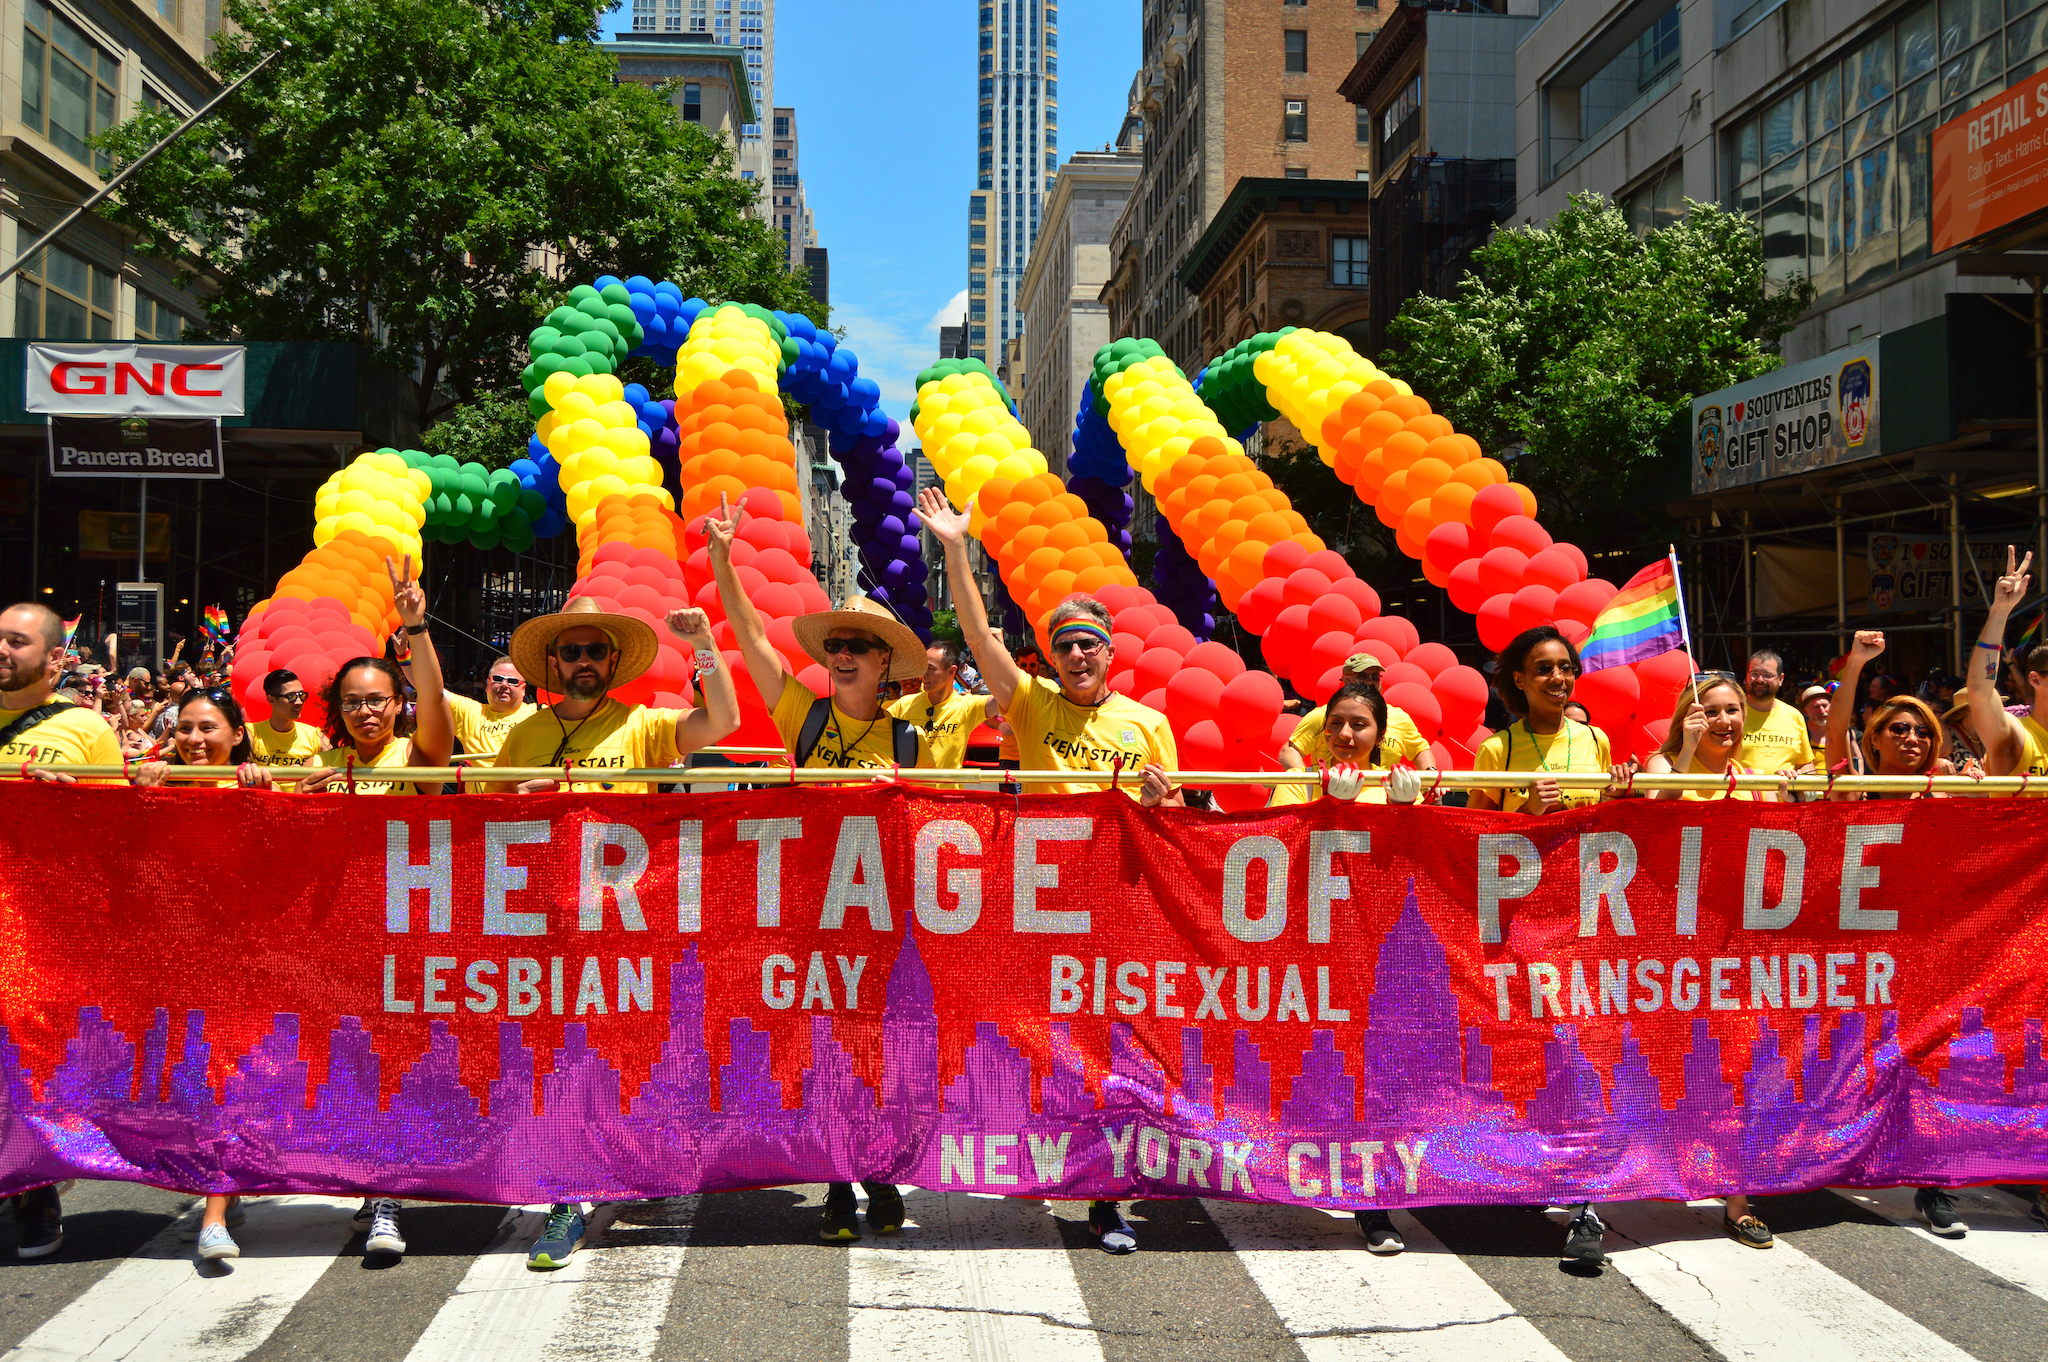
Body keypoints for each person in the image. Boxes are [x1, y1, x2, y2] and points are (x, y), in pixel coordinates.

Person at [922, 487, 1177, 1256]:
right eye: (1064, 645)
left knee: (1112, 1053)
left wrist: (1166, 802)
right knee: (1037, 1045)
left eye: (1088, 644)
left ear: (1110, 652)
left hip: (1118, 914)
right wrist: (959, 551)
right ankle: (1029, 1158)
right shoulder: (1030, 706)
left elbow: (1176, 833)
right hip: (1040, 912)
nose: (1076, 656)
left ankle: (1104, 1198)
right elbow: (976, 634)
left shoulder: (1149, 724)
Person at [703, 493, 929, 1244]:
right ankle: (838, 1176)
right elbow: (748, 634)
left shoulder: (913, 743)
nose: (841, 653)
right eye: (835, 642)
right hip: (810, 917)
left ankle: (884, 1176)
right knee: (827, 1049)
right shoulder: (804, 716)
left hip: (886, 923)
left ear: (882, 663)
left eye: (857, 646)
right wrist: (722, 558)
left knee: (885, 1051)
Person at [496, 596, 738, 1268]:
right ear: (552, 663)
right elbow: (485, 819)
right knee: (565, 1060)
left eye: (593, 652)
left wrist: (704, 645)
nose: (582, 663)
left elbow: (723, 719)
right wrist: (524, 798)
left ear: (611, 662)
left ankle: (631, 1165)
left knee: (632, 1056)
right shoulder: (524, 735)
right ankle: (565, 1201)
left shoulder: (642, 725)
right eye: (570, 653)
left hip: (633, 928)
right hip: (551, 928)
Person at [1466, 626, 1620, 1266]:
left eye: (1566, 668)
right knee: (1526, 1055)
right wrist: (1523, 813)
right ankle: (1525, 1171)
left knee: (1585, 1056)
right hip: (1518, 932)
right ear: (1519, 681)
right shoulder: (1497, 750)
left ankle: (1585, 1206)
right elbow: (1469, 835)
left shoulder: (1597, 741)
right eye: (1544, 669)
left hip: (1586, 927)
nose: (1559, 679)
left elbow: (1611, 827)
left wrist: (1617, 796)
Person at [1824, 629, 1962, 1237]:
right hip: (1859, 958)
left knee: (1930, 1065)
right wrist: (1855, 664)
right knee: (1854, 1062)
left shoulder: (1954, 794)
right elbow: (1834, 739)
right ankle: (1833, 1157)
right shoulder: (1854, 788)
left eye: (1922, 731)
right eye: (1897, 729)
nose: (1911, 739)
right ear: (1873, 740)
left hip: (1929, 956)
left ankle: (1933, 1185)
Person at [0, 602, 125, 1259]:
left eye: (16, 642)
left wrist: (67, 802)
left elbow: (112, 836)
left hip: (35, 930)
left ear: (53, 659)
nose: (1, 649)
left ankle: (33, 1191)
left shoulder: (85, 728)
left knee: (23, 1063)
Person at [130, 689, 273, 1260]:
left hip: (243, 965)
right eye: (184, 727)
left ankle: (215, 1209)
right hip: (170, 961)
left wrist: (268, 799)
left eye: (208, 727)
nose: (194, 739)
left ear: (237, 734)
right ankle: (227, 1188)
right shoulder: (149, 785)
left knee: (226, 1078)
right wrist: (139, 802)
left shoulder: (257, 787)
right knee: (192, 1084)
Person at [1277, 653, 1436, 780]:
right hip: (1331, 805)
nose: (1369, 682)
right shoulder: (1323, 716)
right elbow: (1289, 752)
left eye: (1374, 676)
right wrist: (1308, 785)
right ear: (1345, 680)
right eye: (1362, 676)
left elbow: (1420, 750)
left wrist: (1431, 776)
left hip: (1383, 806)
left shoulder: (1399, 717)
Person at [887, 639, 998, 777]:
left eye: (931, 668)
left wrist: (997, 648)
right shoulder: (904, 704)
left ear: (952, 671)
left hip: (948, 796)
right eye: (923, 667)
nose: (924, 674)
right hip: (911, 795)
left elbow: (1007, 699)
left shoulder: (967, 706)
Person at [409, 653, 535, 764]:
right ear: (487, 685)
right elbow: (429, 688)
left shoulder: (537, 713)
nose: (504, 685)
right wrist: (403, 654)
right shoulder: (471, 711)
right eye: (498, 679)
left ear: (523, 689)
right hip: (479, 792)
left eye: (512, 681)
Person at [1732, 650, 1814, 778]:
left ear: (1781, 679)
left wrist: (1796, 776)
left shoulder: (1794, 716)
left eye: (1767, 675)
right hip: (1741, 796)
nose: (1760, 680)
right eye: (1754, 674)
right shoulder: (1731, 714)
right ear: (1746, 676)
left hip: (1784, 797)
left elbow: (1806, 764)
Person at [246, 668, 329, 772]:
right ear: (271, 700)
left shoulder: (315, 737)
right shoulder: (252, 733)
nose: (299, 702)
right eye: (291, 696)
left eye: (301, 695)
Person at [1796, 684, 1831, 751]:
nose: (1822, 711)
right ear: (1806, 712)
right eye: (1816, 707)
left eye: (1824, 705)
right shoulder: (1800, 734)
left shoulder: (1842, 733)